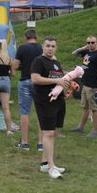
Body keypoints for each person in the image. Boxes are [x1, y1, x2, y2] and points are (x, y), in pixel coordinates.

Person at [31, 36, 70, 179]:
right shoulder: (39, 61)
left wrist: (66, 89)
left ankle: (45, 163)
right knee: (47, 133)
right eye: (48, 46)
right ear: (43, 46)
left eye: (53, 46)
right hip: (44, 101)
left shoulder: (56, 62)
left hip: (58, 101)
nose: (50, 48)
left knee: (53, 133)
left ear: (56, 47)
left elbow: (60, 81)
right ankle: (52, 167)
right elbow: (35, 78)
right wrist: (56, 80)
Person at [13, 29, 44, 151]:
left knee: (24, 112)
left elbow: (15, 66)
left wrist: (23, 65)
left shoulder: (22, 48)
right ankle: (41, 143)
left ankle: (25, 142)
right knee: (40, 112)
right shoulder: (42, 48)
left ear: (26, 37)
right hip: (39, 81)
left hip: (25, 80)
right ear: (36, 36)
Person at [70, 35, 97, 138]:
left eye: (92, 42)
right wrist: (84, 48)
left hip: (93, 86)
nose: (90, 44)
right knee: (85, 107)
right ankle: (80, 127)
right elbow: (74, 53)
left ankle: (95, 131)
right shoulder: (87, 52)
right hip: (85, 84)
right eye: (88, 42)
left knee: (94, 108)